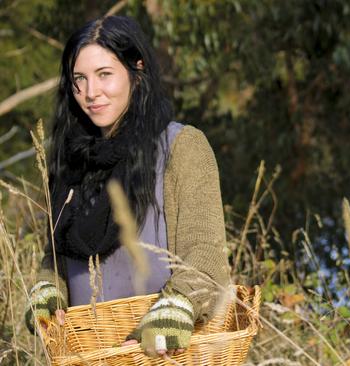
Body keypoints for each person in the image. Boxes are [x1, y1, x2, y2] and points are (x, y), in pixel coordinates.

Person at [24, 15, 231, 358]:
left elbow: (206, 255)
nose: (91, 93)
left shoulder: (181, 146)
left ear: (137, 69)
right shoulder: (71, 164)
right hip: (90, 356)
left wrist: (176, 309)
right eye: (80, 79)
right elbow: (59, 256)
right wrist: (48, 287)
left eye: (105, 74)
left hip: (166, 354)